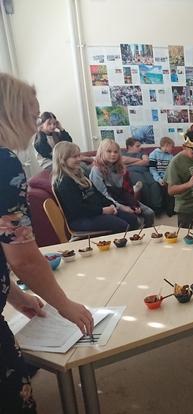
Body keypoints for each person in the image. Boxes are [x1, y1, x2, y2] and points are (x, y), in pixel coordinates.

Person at [0, 72, 93, 413]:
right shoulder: (3, 162)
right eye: (32, 116)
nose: (35, 127)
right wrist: (63, 305)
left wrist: (16, 294)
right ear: (11, 114)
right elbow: (22, 257)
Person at [52, 142, 139, 233]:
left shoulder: (81, 174)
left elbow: (98, 194)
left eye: (79, 156)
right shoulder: (64, 182)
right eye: (74, 157)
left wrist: (111, 205)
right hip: (81, 218)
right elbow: (77, 209)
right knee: (122, 225)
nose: (79, 159)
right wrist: (102, 211)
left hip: (95, 212)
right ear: (62, 160)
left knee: (132, 218)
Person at [89, 139, 154, 228]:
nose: (113, 154)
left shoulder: (120, 168)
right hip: (108, 203)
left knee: (149, 213)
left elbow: (125, 191)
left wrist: (133, 205)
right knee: (136, 221)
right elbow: (104, 195)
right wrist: (123, 208)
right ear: (101, 152)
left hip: (122, 198)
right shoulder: (96, 170)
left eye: (116, 152)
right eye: (109, 151)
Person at [121, 137, 163, 214]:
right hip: (132, 172)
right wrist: (140, 161)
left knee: (154, 184)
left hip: (145, 171)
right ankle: (147, 208)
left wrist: (129, 163)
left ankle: (157, 208)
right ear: (130, 146)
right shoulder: (122, 153)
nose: (140, 148)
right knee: (143, 184)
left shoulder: (142, 153)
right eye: (137, 146)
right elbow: (122, 160)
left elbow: (146, 162)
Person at [149, 136, 176, 216]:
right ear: (166, 145)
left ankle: (171, 210)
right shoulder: (153, 154)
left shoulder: (171, 156)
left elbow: (172, 169)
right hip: (157, 177)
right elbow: (152, 170)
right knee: (156, 187)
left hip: (168, 177)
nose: (172, 149)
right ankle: (158, 210)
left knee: (171, 188)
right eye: (172, 147)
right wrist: (159, 179)